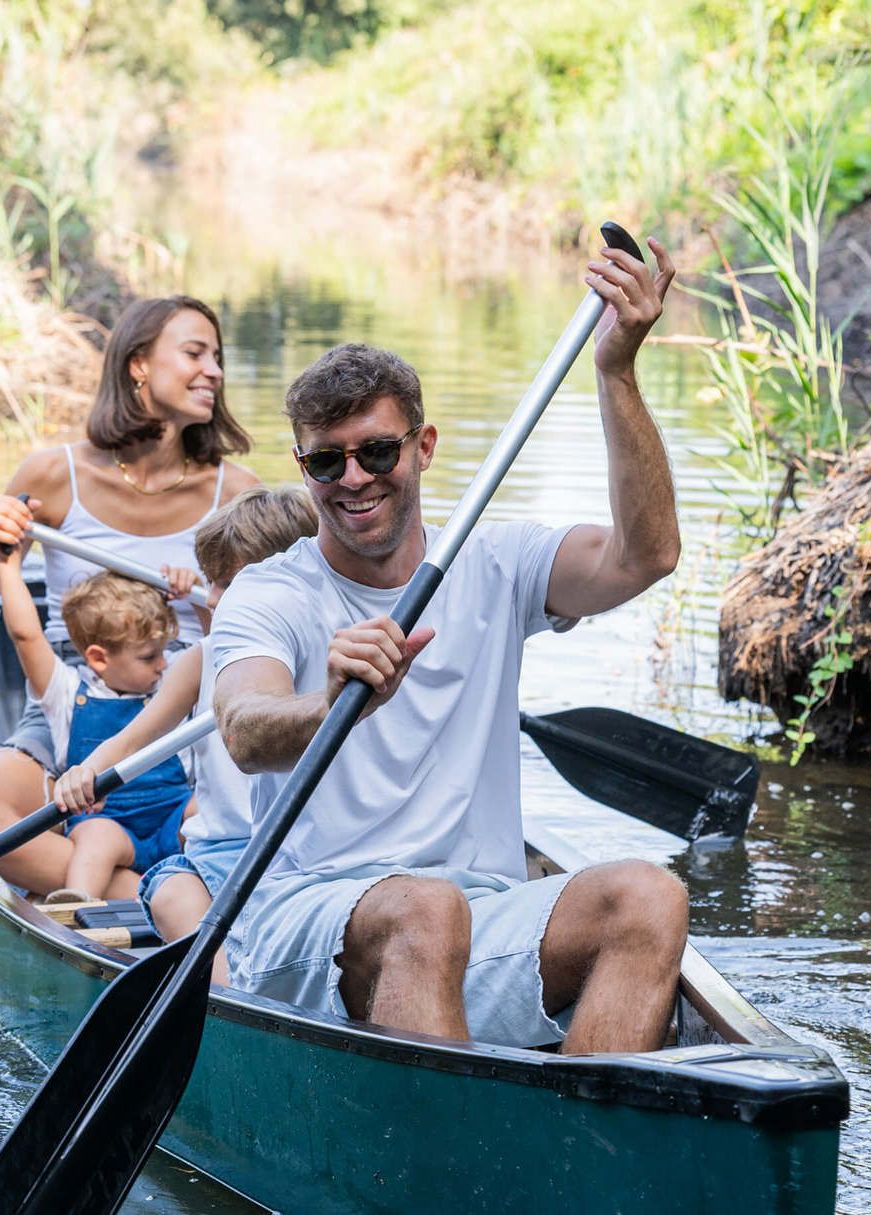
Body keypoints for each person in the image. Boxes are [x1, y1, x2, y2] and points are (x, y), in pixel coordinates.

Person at [210, 238, 686, 1054]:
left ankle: (581, 1149)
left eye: (378, 451)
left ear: (422, 448)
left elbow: (646, 557)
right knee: (425, 909)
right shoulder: (274, 591)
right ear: (302, 468)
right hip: (308, 916)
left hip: (485, 907)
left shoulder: (495, 563)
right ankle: (449, 1167)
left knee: (649, 895)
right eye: (327, 461)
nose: (353, 477)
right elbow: (243, 729)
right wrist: (329, 704)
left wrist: (617, 371)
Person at [0, 295, 260, 894]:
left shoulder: (238, 493)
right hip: (72, 699)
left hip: (189, 705)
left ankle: (130, 877)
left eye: (217, 358)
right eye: (195, 353)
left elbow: (263, 626)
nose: (215, 371)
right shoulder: (53, 475)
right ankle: (149, 889)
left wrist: (203, 603)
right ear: (138, 364)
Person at [49, 486, 320, 978]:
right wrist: (86, 770)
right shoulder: (202, 658)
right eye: (210, 583)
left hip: (305, 855)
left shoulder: (330, 653)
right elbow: (135, 738)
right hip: (219, 852)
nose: (211, 598)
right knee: (173, 894)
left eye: (225, 584)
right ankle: (227, 1007)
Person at [0, 564, 190, 899]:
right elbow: (26, 636)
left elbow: (221, 645)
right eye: (149, 657)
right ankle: (76, 908)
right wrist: (8, 567)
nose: (163, 663)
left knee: (204, 809)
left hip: (174, 815)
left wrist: (197, 597)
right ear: (99, 658)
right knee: (95, 836)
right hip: (114, 824)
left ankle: (229, 894)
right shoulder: (66, 693)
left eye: (163, 652)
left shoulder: (176, 682)